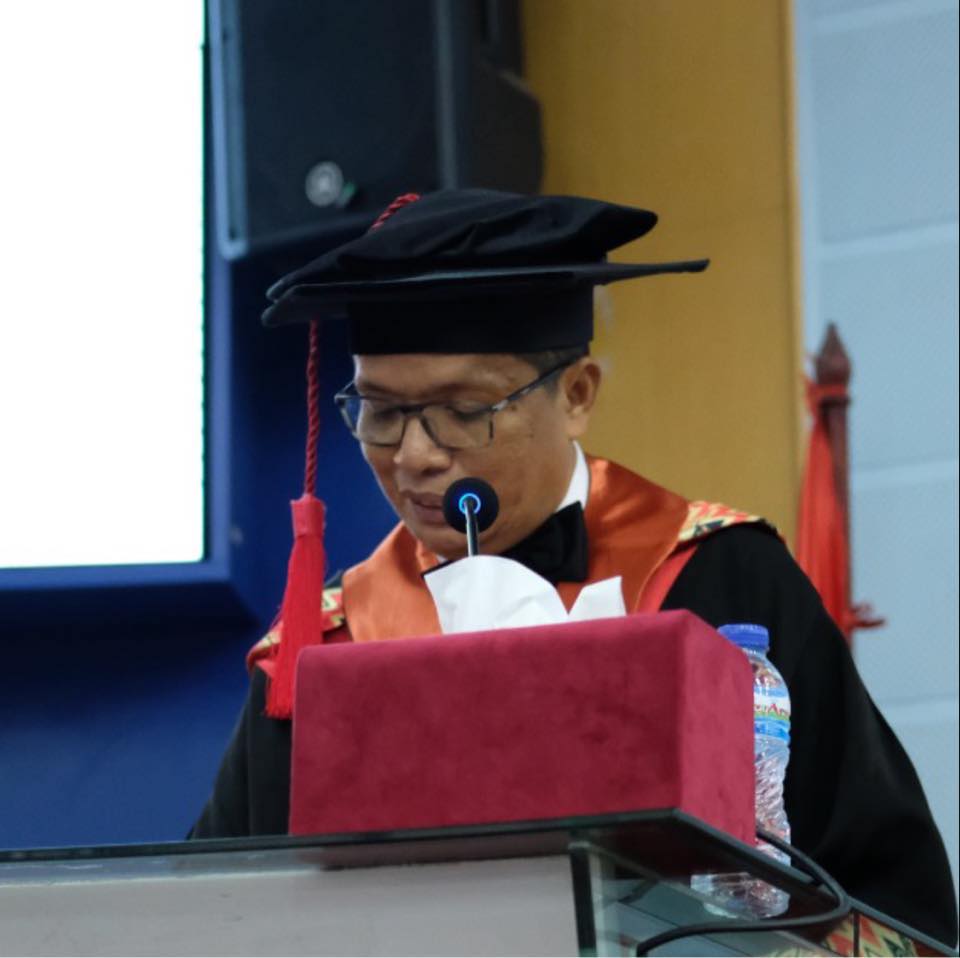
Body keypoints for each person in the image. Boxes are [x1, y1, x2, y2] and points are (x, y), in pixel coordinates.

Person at [191, 190, 957, 945]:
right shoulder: (328, 648)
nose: (416, 457)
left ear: (577, 396)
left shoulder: (723, 583)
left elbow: (891, 904)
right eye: (383, 413)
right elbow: (214, 914)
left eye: (464, 411)